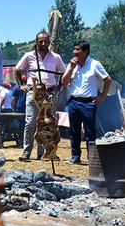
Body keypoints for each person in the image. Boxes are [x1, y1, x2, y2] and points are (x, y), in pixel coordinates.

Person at [15, 32, 66, 161]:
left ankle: (43, 152)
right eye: (40, 41)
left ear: (49, 43)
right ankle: (26, 152)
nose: (43, 44)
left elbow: (64, 74)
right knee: (30, 122)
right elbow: (16, 70)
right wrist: (21, 85)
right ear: (36, 42)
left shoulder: (56, 57)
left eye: (45, 41)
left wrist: (59, 86)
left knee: (47, 123)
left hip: (49, 94)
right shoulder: (28, 56)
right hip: (33, 93)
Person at [61, 40, 112, 164]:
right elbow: (64, 82)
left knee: (90, 131)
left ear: (85, 52)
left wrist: (103, 97)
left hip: (88, 102)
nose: (75, 52)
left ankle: (92, 156)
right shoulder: (72, 64)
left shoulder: (95, 64)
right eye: (74, 49)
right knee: (74, 130)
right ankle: (75, 156)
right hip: (73, 101)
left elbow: (108, 80)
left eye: (78, 50)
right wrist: (71, 69)